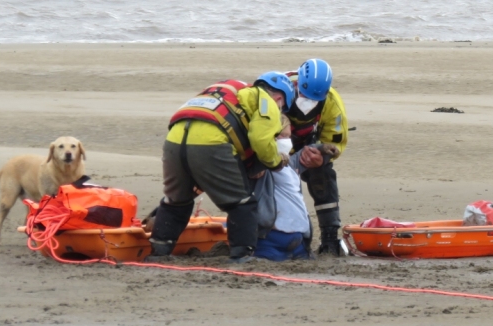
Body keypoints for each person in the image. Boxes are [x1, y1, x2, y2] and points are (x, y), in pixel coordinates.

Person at [146, 71, 295, 263]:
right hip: (212, 143)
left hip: (174, 140)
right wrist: (275, 161)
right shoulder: (268, 102)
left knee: (176, 202)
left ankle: (159, 252)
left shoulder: (229, 89)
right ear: (279, 98)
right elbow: (260, 140)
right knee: (241, 203)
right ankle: (242, 257)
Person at [253, 115, 340, 261]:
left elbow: (305, 153)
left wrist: (323, 149)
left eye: (288, 136)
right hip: (269, 242)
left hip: (299, 243)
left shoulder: (289, 164)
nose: (286, 141)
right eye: (281, 136)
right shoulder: (260, 166)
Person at [284, 59, 348, 256]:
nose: (308, 99)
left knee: (323, 174)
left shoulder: (331, 103)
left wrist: (322, 158)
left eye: (315, 98)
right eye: (304, 94)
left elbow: (336, 141)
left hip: (310, 146)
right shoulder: (278, 90)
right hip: (274, 145)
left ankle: (329, 239)